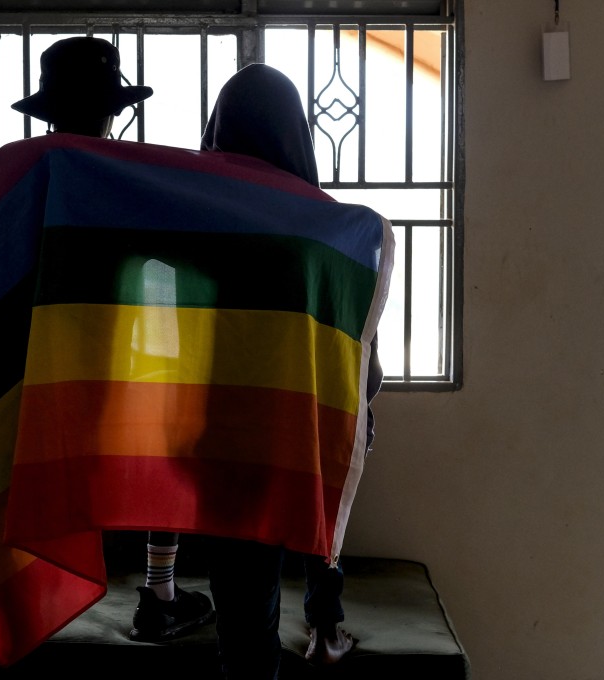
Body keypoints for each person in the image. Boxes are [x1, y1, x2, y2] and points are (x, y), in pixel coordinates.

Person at [0, 35, 215, 643]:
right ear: (115, 110)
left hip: (3, 369)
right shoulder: (128, 176)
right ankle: (159, 594)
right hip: (101, 372)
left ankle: (13, 607)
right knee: (163, 453)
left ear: (45, 111)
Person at [198, 62, 384, 678]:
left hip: (223, 441)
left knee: (245, 622)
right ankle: (327, 628)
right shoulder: (324, 227)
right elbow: (367, 373)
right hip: (303, 432)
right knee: (323, 497)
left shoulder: (195, 221)